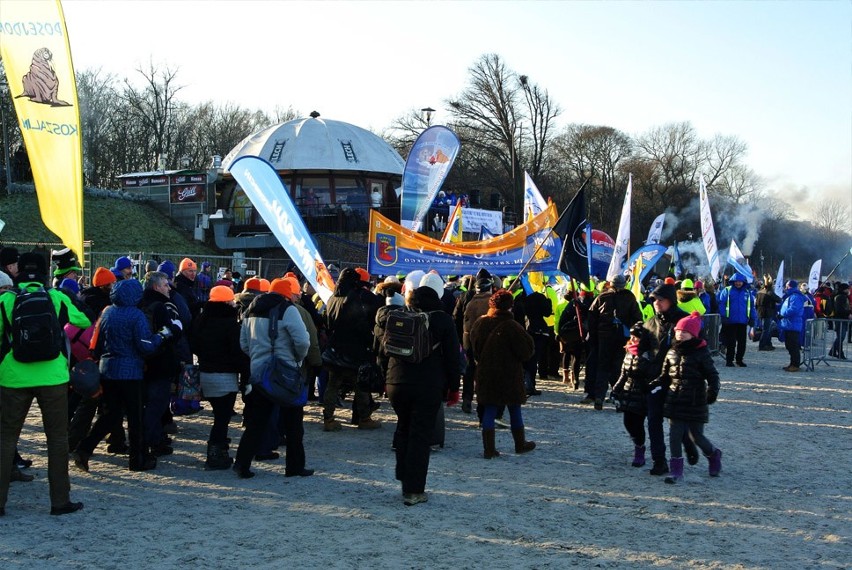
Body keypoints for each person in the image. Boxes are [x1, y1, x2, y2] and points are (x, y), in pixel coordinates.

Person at [0, 252, 91, 516]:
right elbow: (83, 320)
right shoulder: (56, 297)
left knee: (6, 438)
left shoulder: (7, 299)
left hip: (13, 376)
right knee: (57, 439)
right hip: (53, 377)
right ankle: (59, 501)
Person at [72, 279, 170, 473]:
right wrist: (162, 335)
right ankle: (138, 459)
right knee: (136, 417)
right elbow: (145, 345)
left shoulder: (107, 312)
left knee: (111, 414)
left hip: (108, 369)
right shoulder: (136, 315)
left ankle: (84, 448)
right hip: (130, 371)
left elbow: (96, 343)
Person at [378, 284, 461, 506]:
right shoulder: (442, 320)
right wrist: (454, 387)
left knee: (403, 427)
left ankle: (404, 475)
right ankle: (414, 490)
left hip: (396, 381)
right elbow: (453, 357)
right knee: (420, 434)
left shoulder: (397, 317)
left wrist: (385, 380)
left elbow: (382, 351)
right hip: (428, 383)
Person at [233, 279, 310, 479]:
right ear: (288, 294)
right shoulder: (288, 310)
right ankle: (294, 467)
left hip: (259, 373)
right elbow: (302, 341)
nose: (297, 296)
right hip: (284, 373)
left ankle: (242, 464)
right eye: (295, 293)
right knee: (293, 424)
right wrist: (296, 359)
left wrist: (257, 358)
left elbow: (243, 343)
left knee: (257, 422)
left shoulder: (251, 309)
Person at [650, 312, 722, 484]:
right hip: (675, 398)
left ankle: (713, 453)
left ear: (693, 334)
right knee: (674, 435)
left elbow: (712, 376)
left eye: (685, 331)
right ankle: (676, 471)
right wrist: (655, 383)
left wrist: (712, 392)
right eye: (678, 331)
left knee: (696, 436)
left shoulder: (701, 353)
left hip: (696, 399)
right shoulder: (671, 352)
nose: (680, 334)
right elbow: (665, 375)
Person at [470, 289, 536, 459]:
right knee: (514, 408)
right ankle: (520, 444)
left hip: (486, 372)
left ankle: (489, 450)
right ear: (510, 307)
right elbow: (526, 352)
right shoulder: (513, 326)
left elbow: (474, 347)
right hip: (509, 373)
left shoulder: (480, 323)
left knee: (489, 409)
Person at [191, 285, 250, 470]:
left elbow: (194, 345)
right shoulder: (231, 324)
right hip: (225, 376)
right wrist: (245, 374)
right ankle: (215, 455)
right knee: (222, 418)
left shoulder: (202, 320)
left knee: (219, 415)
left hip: (206, 373)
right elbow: (237, 353)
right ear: (227, 302)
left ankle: (219, 451)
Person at [323, 267, 383, 431]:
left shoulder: (332, 298)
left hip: (334, 347)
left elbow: (326, 322)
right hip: (353, 349)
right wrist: (370, 341)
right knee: (360, 384)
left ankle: (328, 418)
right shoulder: (353, 298)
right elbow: (361, 325)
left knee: (332, 384)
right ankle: (364, 418)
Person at [138, 272, 183, 456]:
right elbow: (169, 333)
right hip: (160, 360)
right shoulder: (161, 306)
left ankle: (155, 439)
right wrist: (177, 327)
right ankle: (148, 441)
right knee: (157, 403)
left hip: (142, 360)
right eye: (165, 284)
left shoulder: (139, 303)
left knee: (149, 403)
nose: (169, 287)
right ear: (156, 286)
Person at [586, 275, 643, 410]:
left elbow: (592, 317)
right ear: (624, 285)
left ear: (611, 284)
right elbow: (637, 318)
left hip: (604, 337)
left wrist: (593, 337)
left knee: (602, 367)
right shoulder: (630, 298)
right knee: (619, 367)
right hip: (622, 338)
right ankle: (619, 398)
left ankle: (599, 397)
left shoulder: (602, 297)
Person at [611, 323, 658, 468]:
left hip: (643, 393)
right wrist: (616, 389)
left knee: (638, 423)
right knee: (628, 422)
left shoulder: (650, 354)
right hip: (628, 391)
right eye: (631, 337)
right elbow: (624, 373)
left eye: (636, 337)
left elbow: (653, 373)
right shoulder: (629, 352)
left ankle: (639, 450)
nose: (632, 339)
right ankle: (639, 445)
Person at [717, 273, 754, 367]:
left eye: (740, 282)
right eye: (736, 281)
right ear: (733, 282)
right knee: (731, 342)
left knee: (742, 343)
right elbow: (721, 304)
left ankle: (739, 360)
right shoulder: (727, 290)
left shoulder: (747, 292)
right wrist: (724, 316)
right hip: (730, 321)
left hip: (743, 321)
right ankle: (729, 360)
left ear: (743, 282)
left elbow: (752, 307)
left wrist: (753, 318)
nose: (738, 283)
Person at [778, 280, 806, 372]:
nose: (786, 288)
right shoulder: (791, 296)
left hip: (793, 324)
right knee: (789, 345)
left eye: (787, 286)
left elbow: (793, 309)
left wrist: (783, 314)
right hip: (788, 324)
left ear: (791, 286)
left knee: (793, 345)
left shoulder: (795, 297)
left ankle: (795, 364)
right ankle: (792, 363)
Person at [756, 280, 781, 351]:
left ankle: (768, 343)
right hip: (767, 313)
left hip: (760, 312)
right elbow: (778, 300)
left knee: (766, 329)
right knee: (766, 330)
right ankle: (762, 345)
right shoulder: (769, 292)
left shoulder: (759, 292)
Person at [831, 283, 850, 359]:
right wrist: (848, 313)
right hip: (840, 319)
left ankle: (834, 351)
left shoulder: (843, 296)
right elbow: (839, 310)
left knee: (841, 337)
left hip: (842, 319)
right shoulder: (839, 297)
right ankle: (838, 353)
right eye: (847, 289)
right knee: (841, 337)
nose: (849, 290)